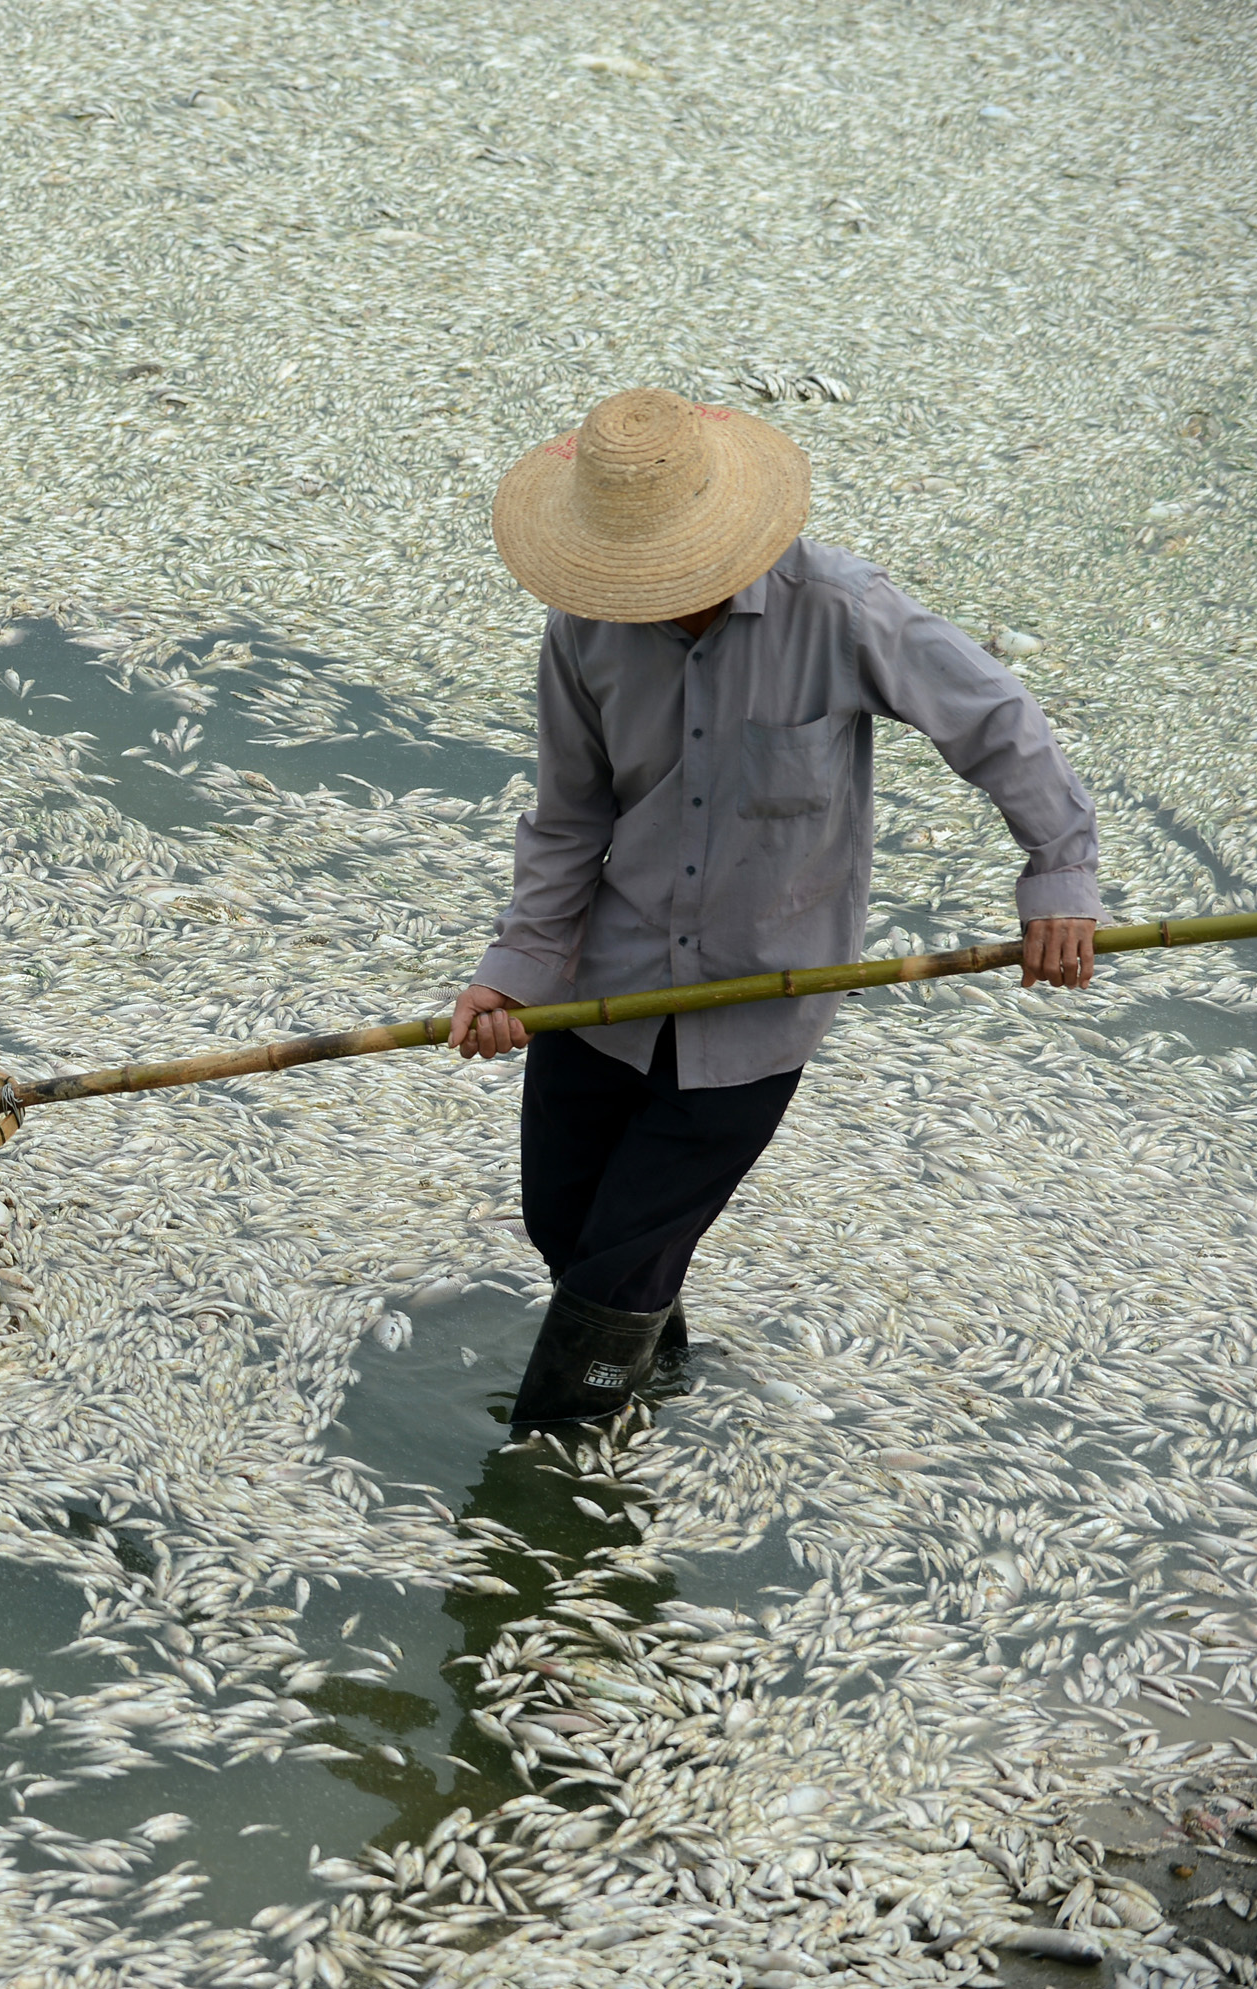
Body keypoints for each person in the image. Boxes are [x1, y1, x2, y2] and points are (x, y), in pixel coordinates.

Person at [452, 387, 1100, 1429]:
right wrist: (514, 970)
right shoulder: (583, 628)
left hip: (758, 1003)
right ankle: (656, 1372)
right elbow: (570, 816)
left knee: (613, 1265)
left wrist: (1058, 876)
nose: (657, 595)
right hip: (603, 991)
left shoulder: (841, 607)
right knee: (564, 1223)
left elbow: (998, 719)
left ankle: (555, 1450)